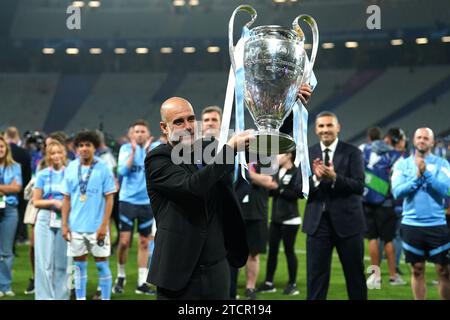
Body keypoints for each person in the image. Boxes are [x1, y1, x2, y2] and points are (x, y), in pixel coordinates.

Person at [145, 96, 252, 300]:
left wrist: (289, 108)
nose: (188, 126)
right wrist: (229, 151)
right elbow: (191, 187)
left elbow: (266, 144)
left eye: (191, 119)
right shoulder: (158, 158)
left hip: (218, 266)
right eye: (179, 121)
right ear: (164, 127)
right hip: (179, 272)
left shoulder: (208, 149)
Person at [302, 111, 367, 300]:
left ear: (338, 128)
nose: (325, 130)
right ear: (315, 129)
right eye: (321, 126)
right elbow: (299, 187)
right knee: (315, 278)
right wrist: (315, 178)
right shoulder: (308, 153)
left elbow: (359, 186)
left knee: (355, 276)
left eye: (329, 125)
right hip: (317, 225)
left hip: (349, 224)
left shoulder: (353, 152)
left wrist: (335, 178)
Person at [391, 127, 450, 300]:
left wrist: (427, 174)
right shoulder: (402, 165)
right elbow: (397, 192)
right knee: (417, 269)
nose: (422, 140)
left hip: (437, 225)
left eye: (426, 138)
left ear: (432, 142)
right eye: (419, 137)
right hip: (411, 225)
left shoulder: (443, 164)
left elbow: (446, 190)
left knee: (444, 271)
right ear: (414, 140)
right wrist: (417, 178)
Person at [61, 131, 116, 300]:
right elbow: (66, 199)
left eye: (88, 145)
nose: (84, 149)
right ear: (76, 148)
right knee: (78, 266)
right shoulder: (70, 168)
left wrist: (104, 225)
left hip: (97, 227)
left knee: (102, 265)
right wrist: (64, 224)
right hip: (76, 227)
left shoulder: (103, 168)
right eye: (81, 145)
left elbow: (109, 198)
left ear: (95, 147)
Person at [360, 127, 406, 286]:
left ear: (369, 137)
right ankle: (393, 276)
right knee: (389, 240)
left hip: (366, 201)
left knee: (372, 239)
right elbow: (396, 180)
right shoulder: (395, 155)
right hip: (386, 203)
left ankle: (375, 277)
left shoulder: (363, 150)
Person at [113, 120, 155, 295]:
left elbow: (155, 171)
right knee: (124, 242)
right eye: (136, 131)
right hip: (128, 201)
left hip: (147, 202)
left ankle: (142, 282)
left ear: (147, 134)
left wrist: (146, 152)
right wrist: (132, 152)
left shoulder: (153, 149)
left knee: (144, 242)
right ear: (131, 134)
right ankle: (121, 275)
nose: (139, 134)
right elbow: (122, 172)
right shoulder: (125, 150)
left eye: (142, 131)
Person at [258, 151, 302, 296]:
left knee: (289, 251)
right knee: (272, 252)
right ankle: (268, 282)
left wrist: (278, 188)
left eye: (280, 154)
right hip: (276, 218)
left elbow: (296, 194)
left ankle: (292, 284)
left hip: (290, 219)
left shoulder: (296, 172)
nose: (277, 157)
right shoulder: (276, 171)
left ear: (289, 155)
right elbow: (273, 192)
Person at [33, 141, 69, 300]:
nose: (56, 156)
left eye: (58, 153)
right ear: (48, 156)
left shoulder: (70, 173)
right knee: (43, 263)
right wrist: (53, 202)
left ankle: (61, 296)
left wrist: (65, 206)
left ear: (63, 154)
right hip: (45, 218)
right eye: (52, 153)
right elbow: (36, 201)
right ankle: (44, 297)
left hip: (65, 219)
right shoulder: (42, 174)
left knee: (63, 262)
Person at [0, 136, 23, 297]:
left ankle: (5, 286)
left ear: (6, 149)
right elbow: (12, 186)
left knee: (7, 251)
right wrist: (7, 187)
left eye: (1, 146)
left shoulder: (15, 167)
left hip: (9, 210)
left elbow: (17, 187)